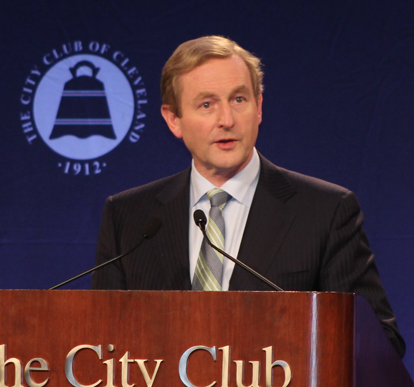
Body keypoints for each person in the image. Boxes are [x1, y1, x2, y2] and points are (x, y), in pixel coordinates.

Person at [91, 36, 405, 357]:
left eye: (239, 99)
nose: (226, 119)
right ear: (174, 120)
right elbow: (101, 343)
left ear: (259, 107)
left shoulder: (325, 212)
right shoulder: (129, 217)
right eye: (206, 104)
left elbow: (381, 342)